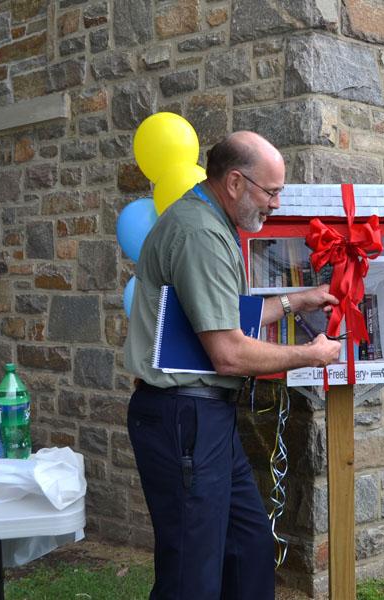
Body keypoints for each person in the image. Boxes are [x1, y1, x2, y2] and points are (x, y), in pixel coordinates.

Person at [123, 131, 342, 600]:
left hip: (204, 418)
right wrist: (312, 355)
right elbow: (229, 352)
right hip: (184, 417)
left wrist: (295, 301)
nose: (277, 204)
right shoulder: (200, 232)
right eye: (272, 192)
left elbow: (225, 314)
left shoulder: (209, 220)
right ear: (236, 182)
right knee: (192, 575)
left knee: (247, 548)